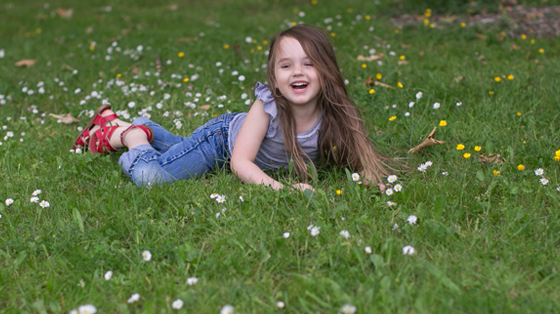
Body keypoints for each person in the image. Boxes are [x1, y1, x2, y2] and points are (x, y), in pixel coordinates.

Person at [73, 24, 392, 191]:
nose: (298, 72)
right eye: (286, 65)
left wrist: (370, 176)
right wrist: (282, 190)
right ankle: (131, 137)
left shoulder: (336, 112)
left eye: (309, 63)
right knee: (152, 176)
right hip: (221, 144)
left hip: (238, 154)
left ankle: (139, 126)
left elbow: (363, 155)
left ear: (327, 70)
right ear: (275, 78)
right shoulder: (267, 106)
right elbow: (241, 163)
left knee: (178, 151)